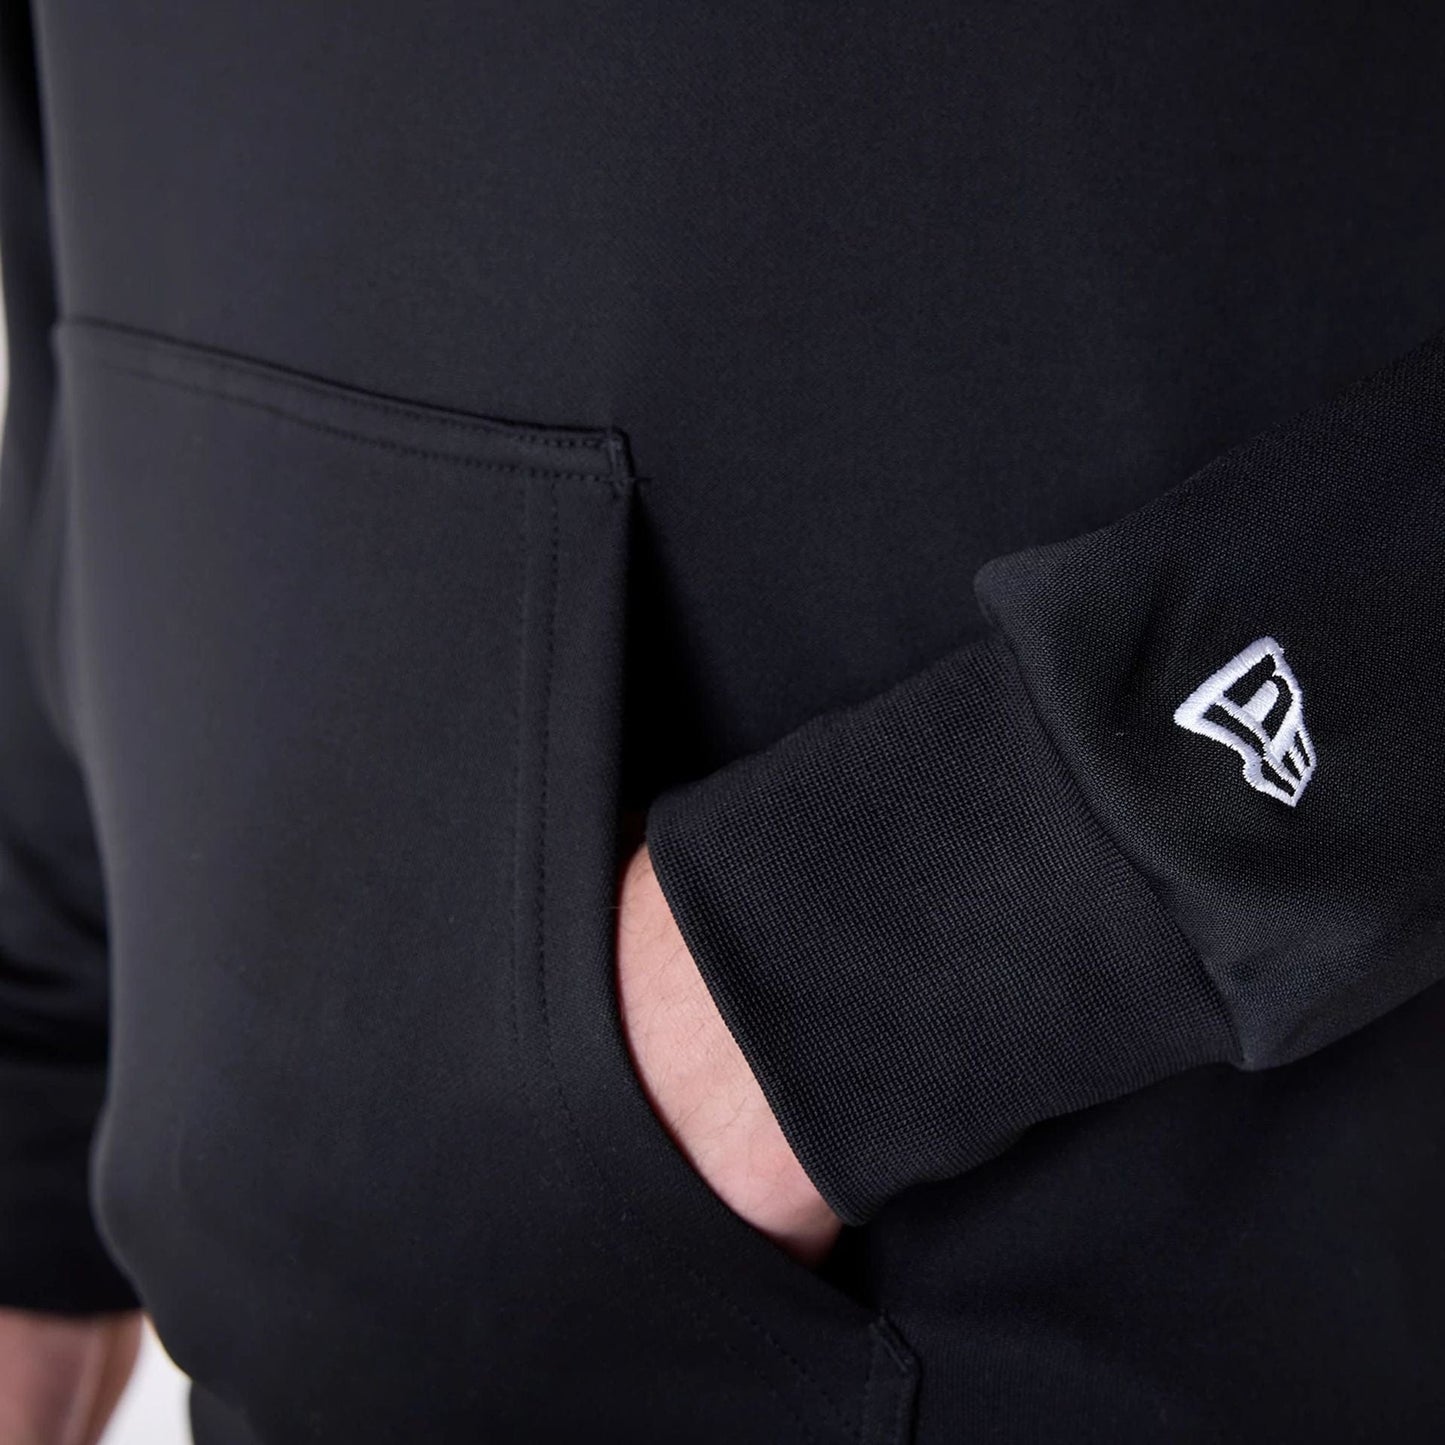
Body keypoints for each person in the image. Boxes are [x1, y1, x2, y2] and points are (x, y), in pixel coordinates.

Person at [2, 4, 1443, 1442]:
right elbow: (93, 220)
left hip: (1054, 1272)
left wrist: (882, 955)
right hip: (358, 1309)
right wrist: (40, 1080)